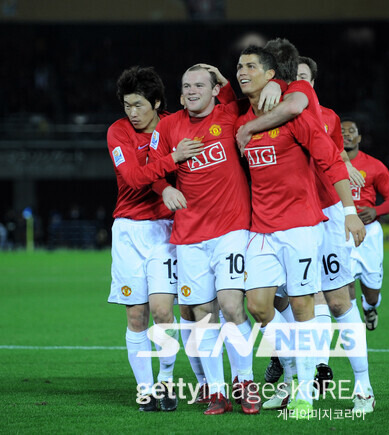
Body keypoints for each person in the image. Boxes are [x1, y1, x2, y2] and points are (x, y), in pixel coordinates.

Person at [236, 41, 376, 414]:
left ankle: (354, 385)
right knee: (260, 306)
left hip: (311, 220)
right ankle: (300, 370)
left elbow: (332, 161)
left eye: (251, 66)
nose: (242, 72)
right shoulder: (242, 120)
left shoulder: (302, 110)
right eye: (239, 66)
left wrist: (349, 211)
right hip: (262, 228)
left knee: (330, 301)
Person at [148, 65, 260, 415]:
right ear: (180, 94)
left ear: (215, 91)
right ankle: (216, 391)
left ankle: (245, 380)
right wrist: (165, 187)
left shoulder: (230, 114)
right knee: (200, 315)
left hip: (230, 228)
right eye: (186, 86)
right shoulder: (168, 126)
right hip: (189, 235)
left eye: (200, 84)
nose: (192, 90)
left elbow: (252, 93)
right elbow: (153, 169)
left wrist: (227, 82)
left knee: (230, 305)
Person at [106, 65, 203, 413]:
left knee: (163, 312)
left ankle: (165, 380)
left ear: (157, 102)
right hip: (129, 231)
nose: (132, 113)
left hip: (164, 231)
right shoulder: (117, 132)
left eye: (139, 105)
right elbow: (132, 179)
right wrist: (172, 159)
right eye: (127, 105)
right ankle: (145, 389)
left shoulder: (173, 125)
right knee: (137, 317)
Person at [342, 119, 389, 330]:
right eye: (341, 131)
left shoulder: (375, 166)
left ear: (359, 138)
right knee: (344, 284)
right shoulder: (327, 164)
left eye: (351, 131)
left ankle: (370, 307)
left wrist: (376, 210)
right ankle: (353, 327)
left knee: (372, 292)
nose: (346, 134)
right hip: (341, 231)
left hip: (369, 233)